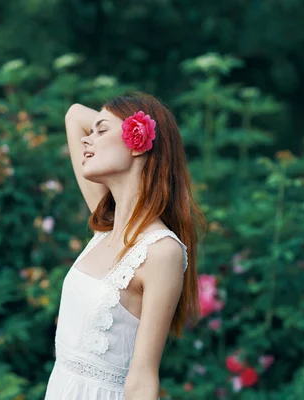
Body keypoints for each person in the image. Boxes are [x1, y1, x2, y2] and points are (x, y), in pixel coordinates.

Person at [44, 92, 206, 400]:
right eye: (91, 133)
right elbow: (74, 114)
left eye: (100, 131)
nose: (86, 141)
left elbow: (143, 380)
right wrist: (113, 131)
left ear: (137, 142)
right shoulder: (106, 229)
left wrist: (146, 136)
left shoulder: (161, 252)